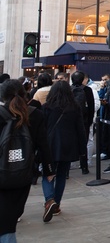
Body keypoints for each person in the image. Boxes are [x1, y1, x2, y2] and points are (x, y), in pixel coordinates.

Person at [0, 79, 53, 242]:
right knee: (10, 218)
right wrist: (49, 170)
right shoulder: (35, 114)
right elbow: (43, 145)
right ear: (25, 94)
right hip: (23, 173)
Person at [41, 80, 87, 222]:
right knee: (61, 175)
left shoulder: (46, 107)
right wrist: (82, 148)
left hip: (50, 145)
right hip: (68, 145)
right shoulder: (75, 107)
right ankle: (56, 205)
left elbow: (41, 129)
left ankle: (49, 200)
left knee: (48, 174)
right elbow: (80, 129)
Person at [71, 71, 96, 174]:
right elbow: (91, 107)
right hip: (83, 120)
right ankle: (84, 167)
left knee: (70, 143)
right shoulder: (87, 90)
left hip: (71, 120)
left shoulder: (69, 89)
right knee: (83, 144)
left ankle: (67, 169)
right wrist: (89, 121)